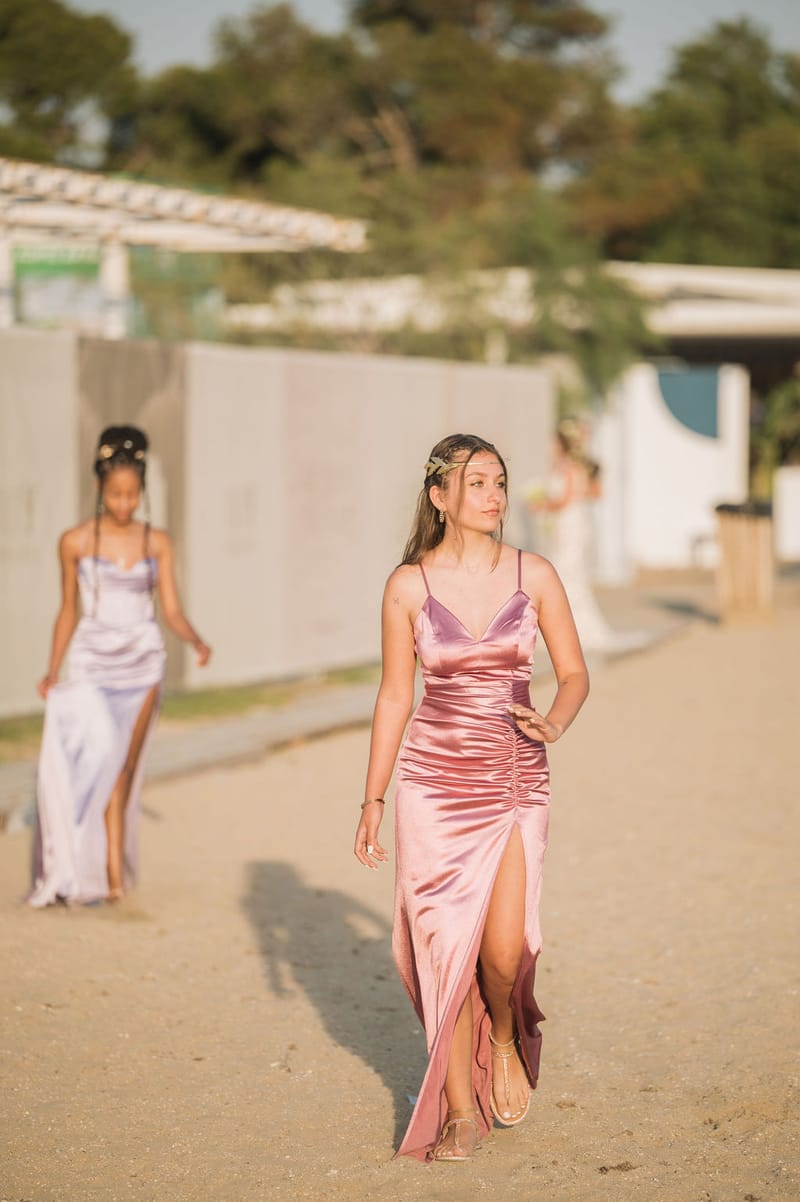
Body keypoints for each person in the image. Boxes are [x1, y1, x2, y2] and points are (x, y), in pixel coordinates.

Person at [353, 433, 589, 1163]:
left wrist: (552, 720)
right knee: (445, 949)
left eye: (499, 482)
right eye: (477, 483)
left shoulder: (536, 574)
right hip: (432, 781)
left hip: (516, 775)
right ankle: (458, 1110)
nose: (493, 495)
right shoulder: (407, 586)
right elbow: (396, 695)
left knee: (503, 953)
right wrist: (373, 799)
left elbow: (574, 674)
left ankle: (506, 1034)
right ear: (441, 497)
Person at [28, 425, 211, 907]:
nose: (126, 503)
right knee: (99, 757)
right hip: (91, 662)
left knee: (125, 768)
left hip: (143, 662)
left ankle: (112, 879)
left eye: (133, 494)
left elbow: (169, 609)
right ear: (99, 488)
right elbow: (68, 609)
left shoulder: (157, 542)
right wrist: (52, 669)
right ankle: (89, 870)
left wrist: (194, 639)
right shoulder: (74, 542)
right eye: (117, 494)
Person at [533, 418, 646, 655]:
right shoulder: (567, 467)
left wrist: (542, 506)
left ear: (561, 443)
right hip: (567, 524)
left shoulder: (572, 468)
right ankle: (561, 628)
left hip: (571, 522)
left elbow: (566, 500)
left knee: (568, 572)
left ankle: (575, 630)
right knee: (564, 571)